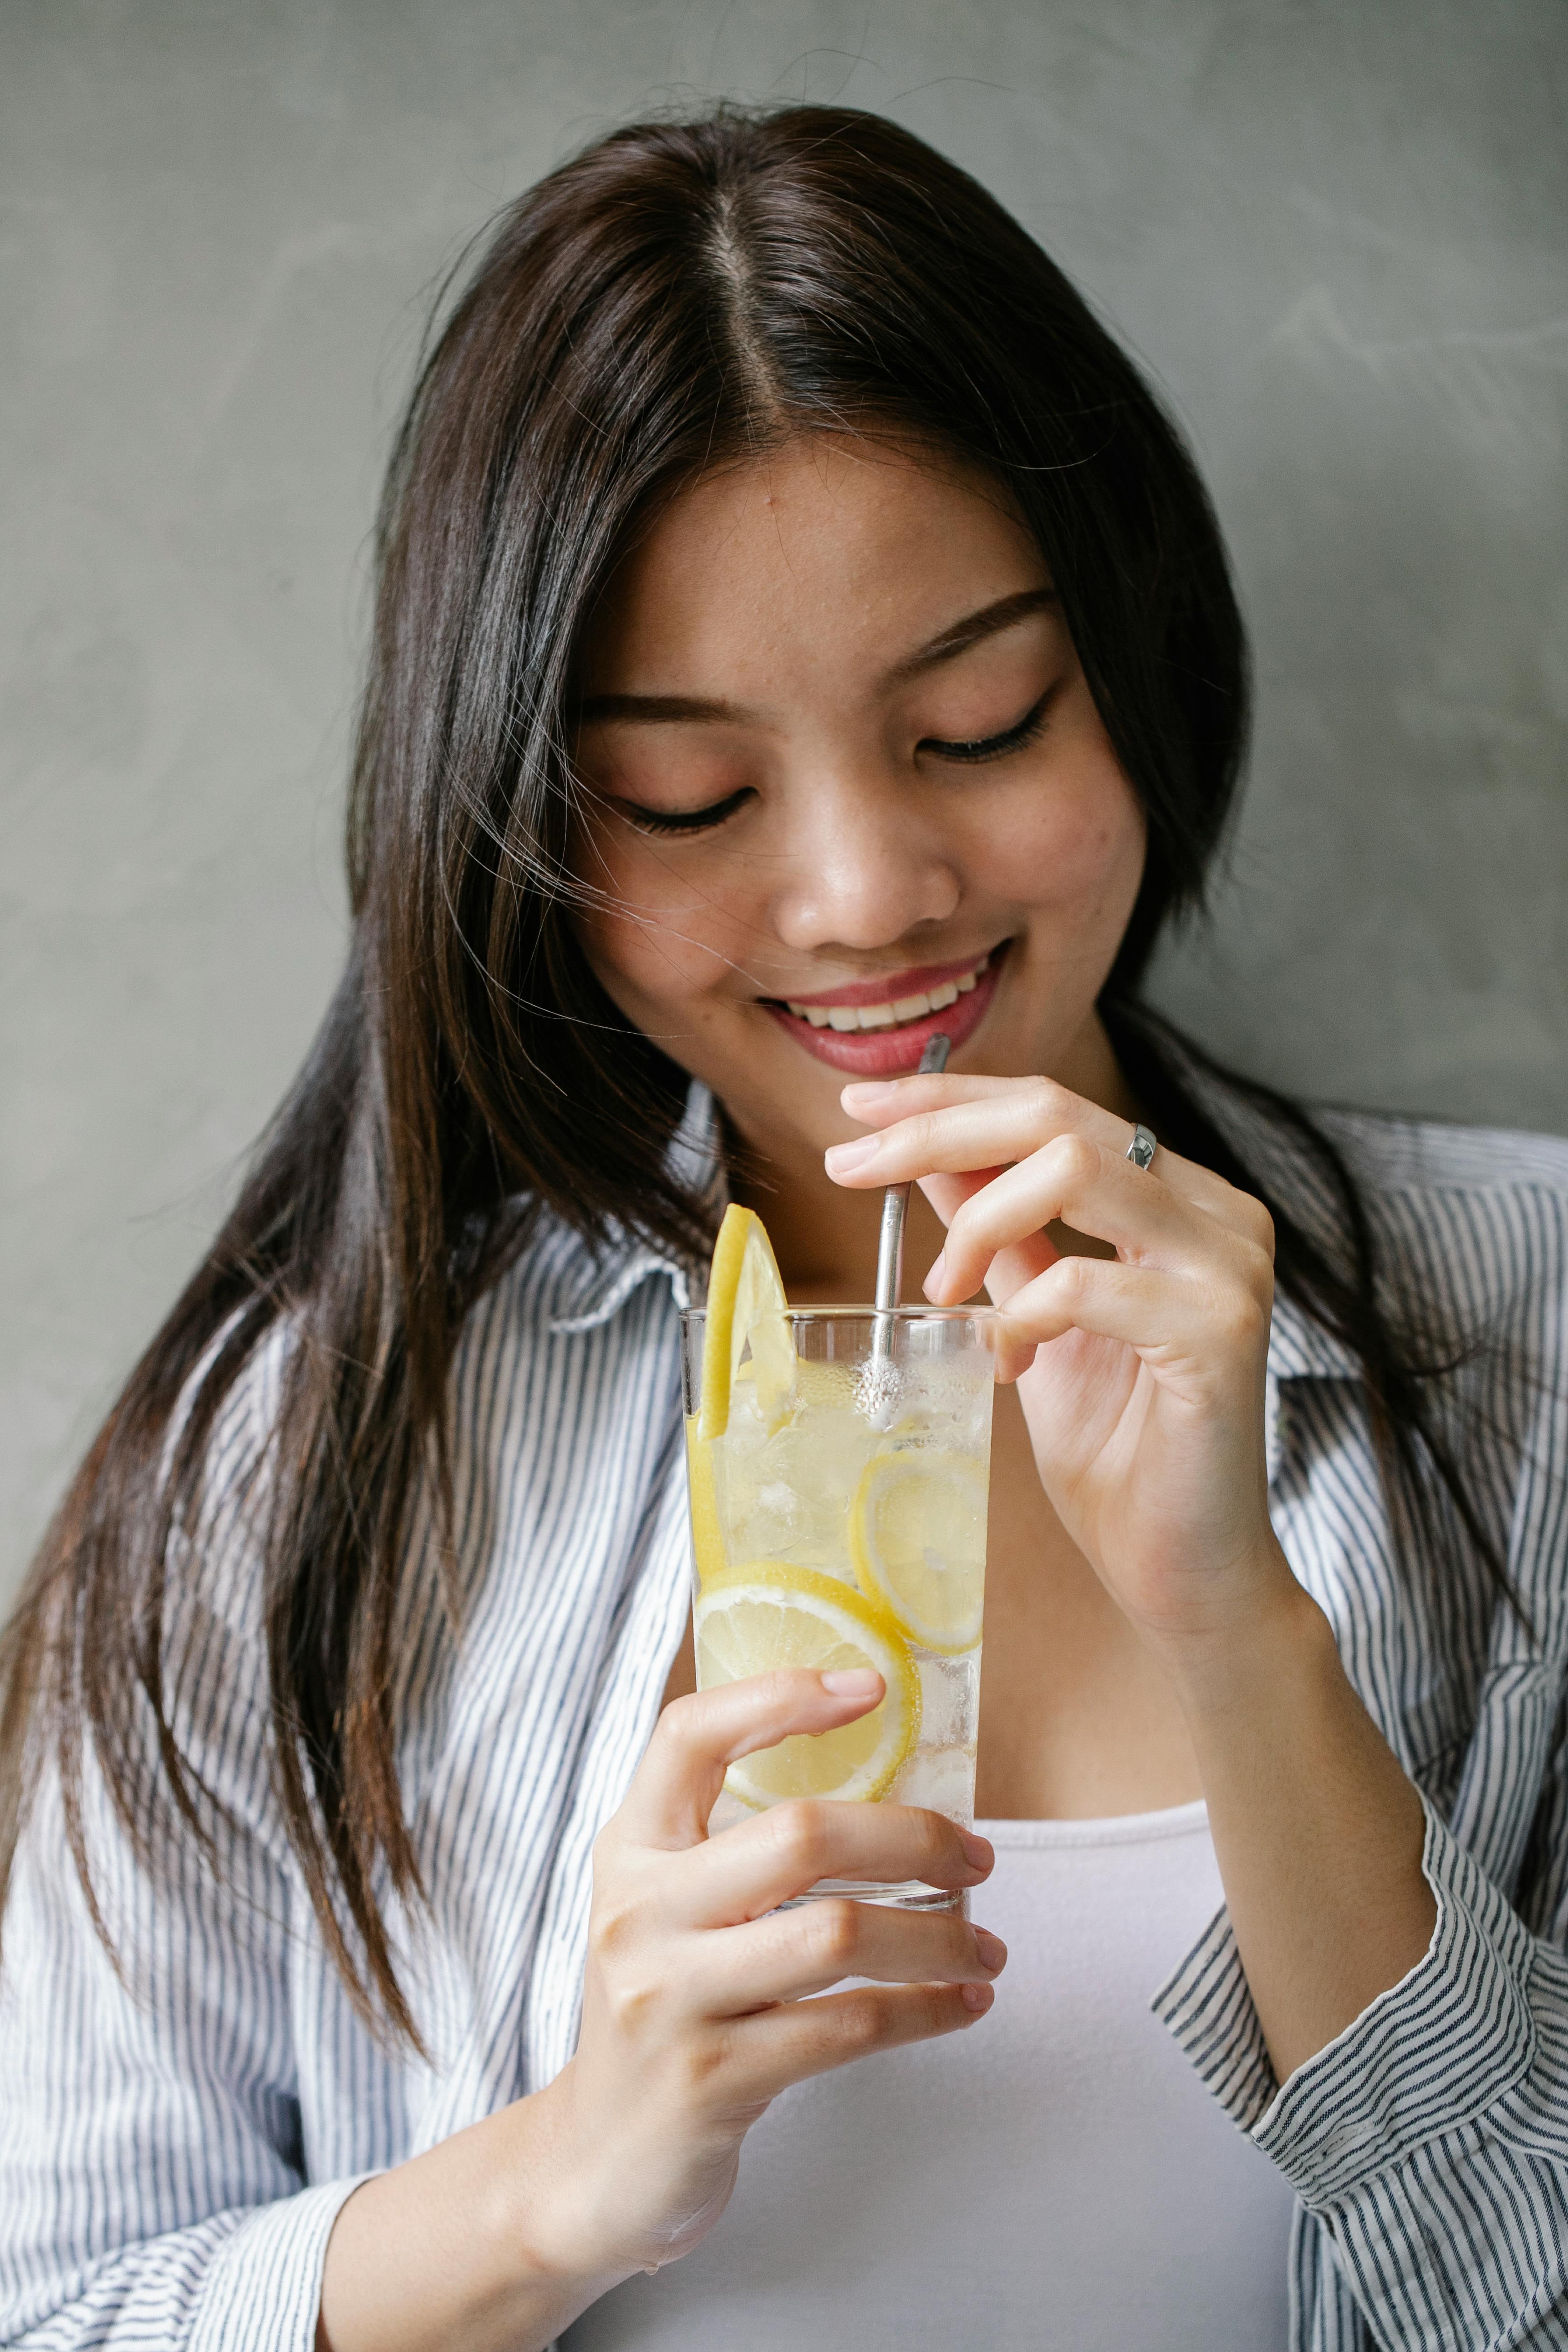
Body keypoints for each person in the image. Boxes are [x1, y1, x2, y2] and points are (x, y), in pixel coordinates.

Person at [1, 102, 1565, 2352]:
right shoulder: (310, 1454)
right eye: (692, 799)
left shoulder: (1533, 1332)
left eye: (978, 722)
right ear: (526, 822)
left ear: (1132, 669)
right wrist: (546, 2191)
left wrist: (1248, 1638)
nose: (865, 897)